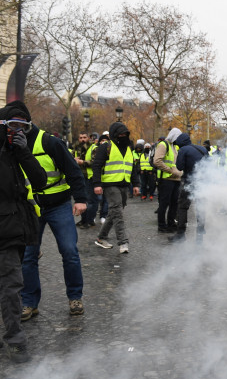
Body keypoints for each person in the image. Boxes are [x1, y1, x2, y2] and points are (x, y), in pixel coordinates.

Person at [18, 101, 88, 321]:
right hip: (30, 209)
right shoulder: (9, 145)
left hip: (58, 205)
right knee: (28, 256)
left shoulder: (50, 142)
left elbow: (72, 169)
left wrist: (80, 199)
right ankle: (29, 302)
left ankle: (75, 297)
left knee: (69, 252)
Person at [0, 104, 46, 363]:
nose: (18, 131)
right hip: (5, 228)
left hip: (17, 227)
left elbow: (39, 181)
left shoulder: (18, 150)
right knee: (10, 284)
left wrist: (23, 152)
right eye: (13, 125)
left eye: (23, 127)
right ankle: (15, 339)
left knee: (10, 283)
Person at [92, 122, 140, 253]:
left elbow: (133, 168)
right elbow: (96, 166)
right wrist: (97, 184)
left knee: (114, 212)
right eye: (120, 134)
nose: (123, 136)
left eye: (125, 134)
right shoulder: (106, 147)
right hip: (110, 185)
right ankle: (123, 242)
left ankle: (101, 238)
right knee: (118, 214)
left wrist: (136, 184)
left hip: (125, 185)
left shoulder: (130, 148)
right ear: (114, 134)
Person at [168, 132, 208, 242]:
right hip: (203, 183)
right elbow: (209, 164)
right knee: (200, 207)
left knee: (182, 207)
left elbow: (179, 167)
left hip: (189, 182)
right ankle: (200, 232)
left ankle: (181, 234)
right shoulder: (202, 149)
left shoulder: (183, 150)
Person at [154, 128, 183, 233]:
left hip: (175, 179)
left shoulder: (175, 146)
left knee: (174, 203)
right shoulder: (163, 145)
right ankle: (161, 225)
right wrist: (171, 171)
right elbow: (157, 161)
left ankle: (171, 223)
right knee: (164, 203)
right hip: (166, 179)